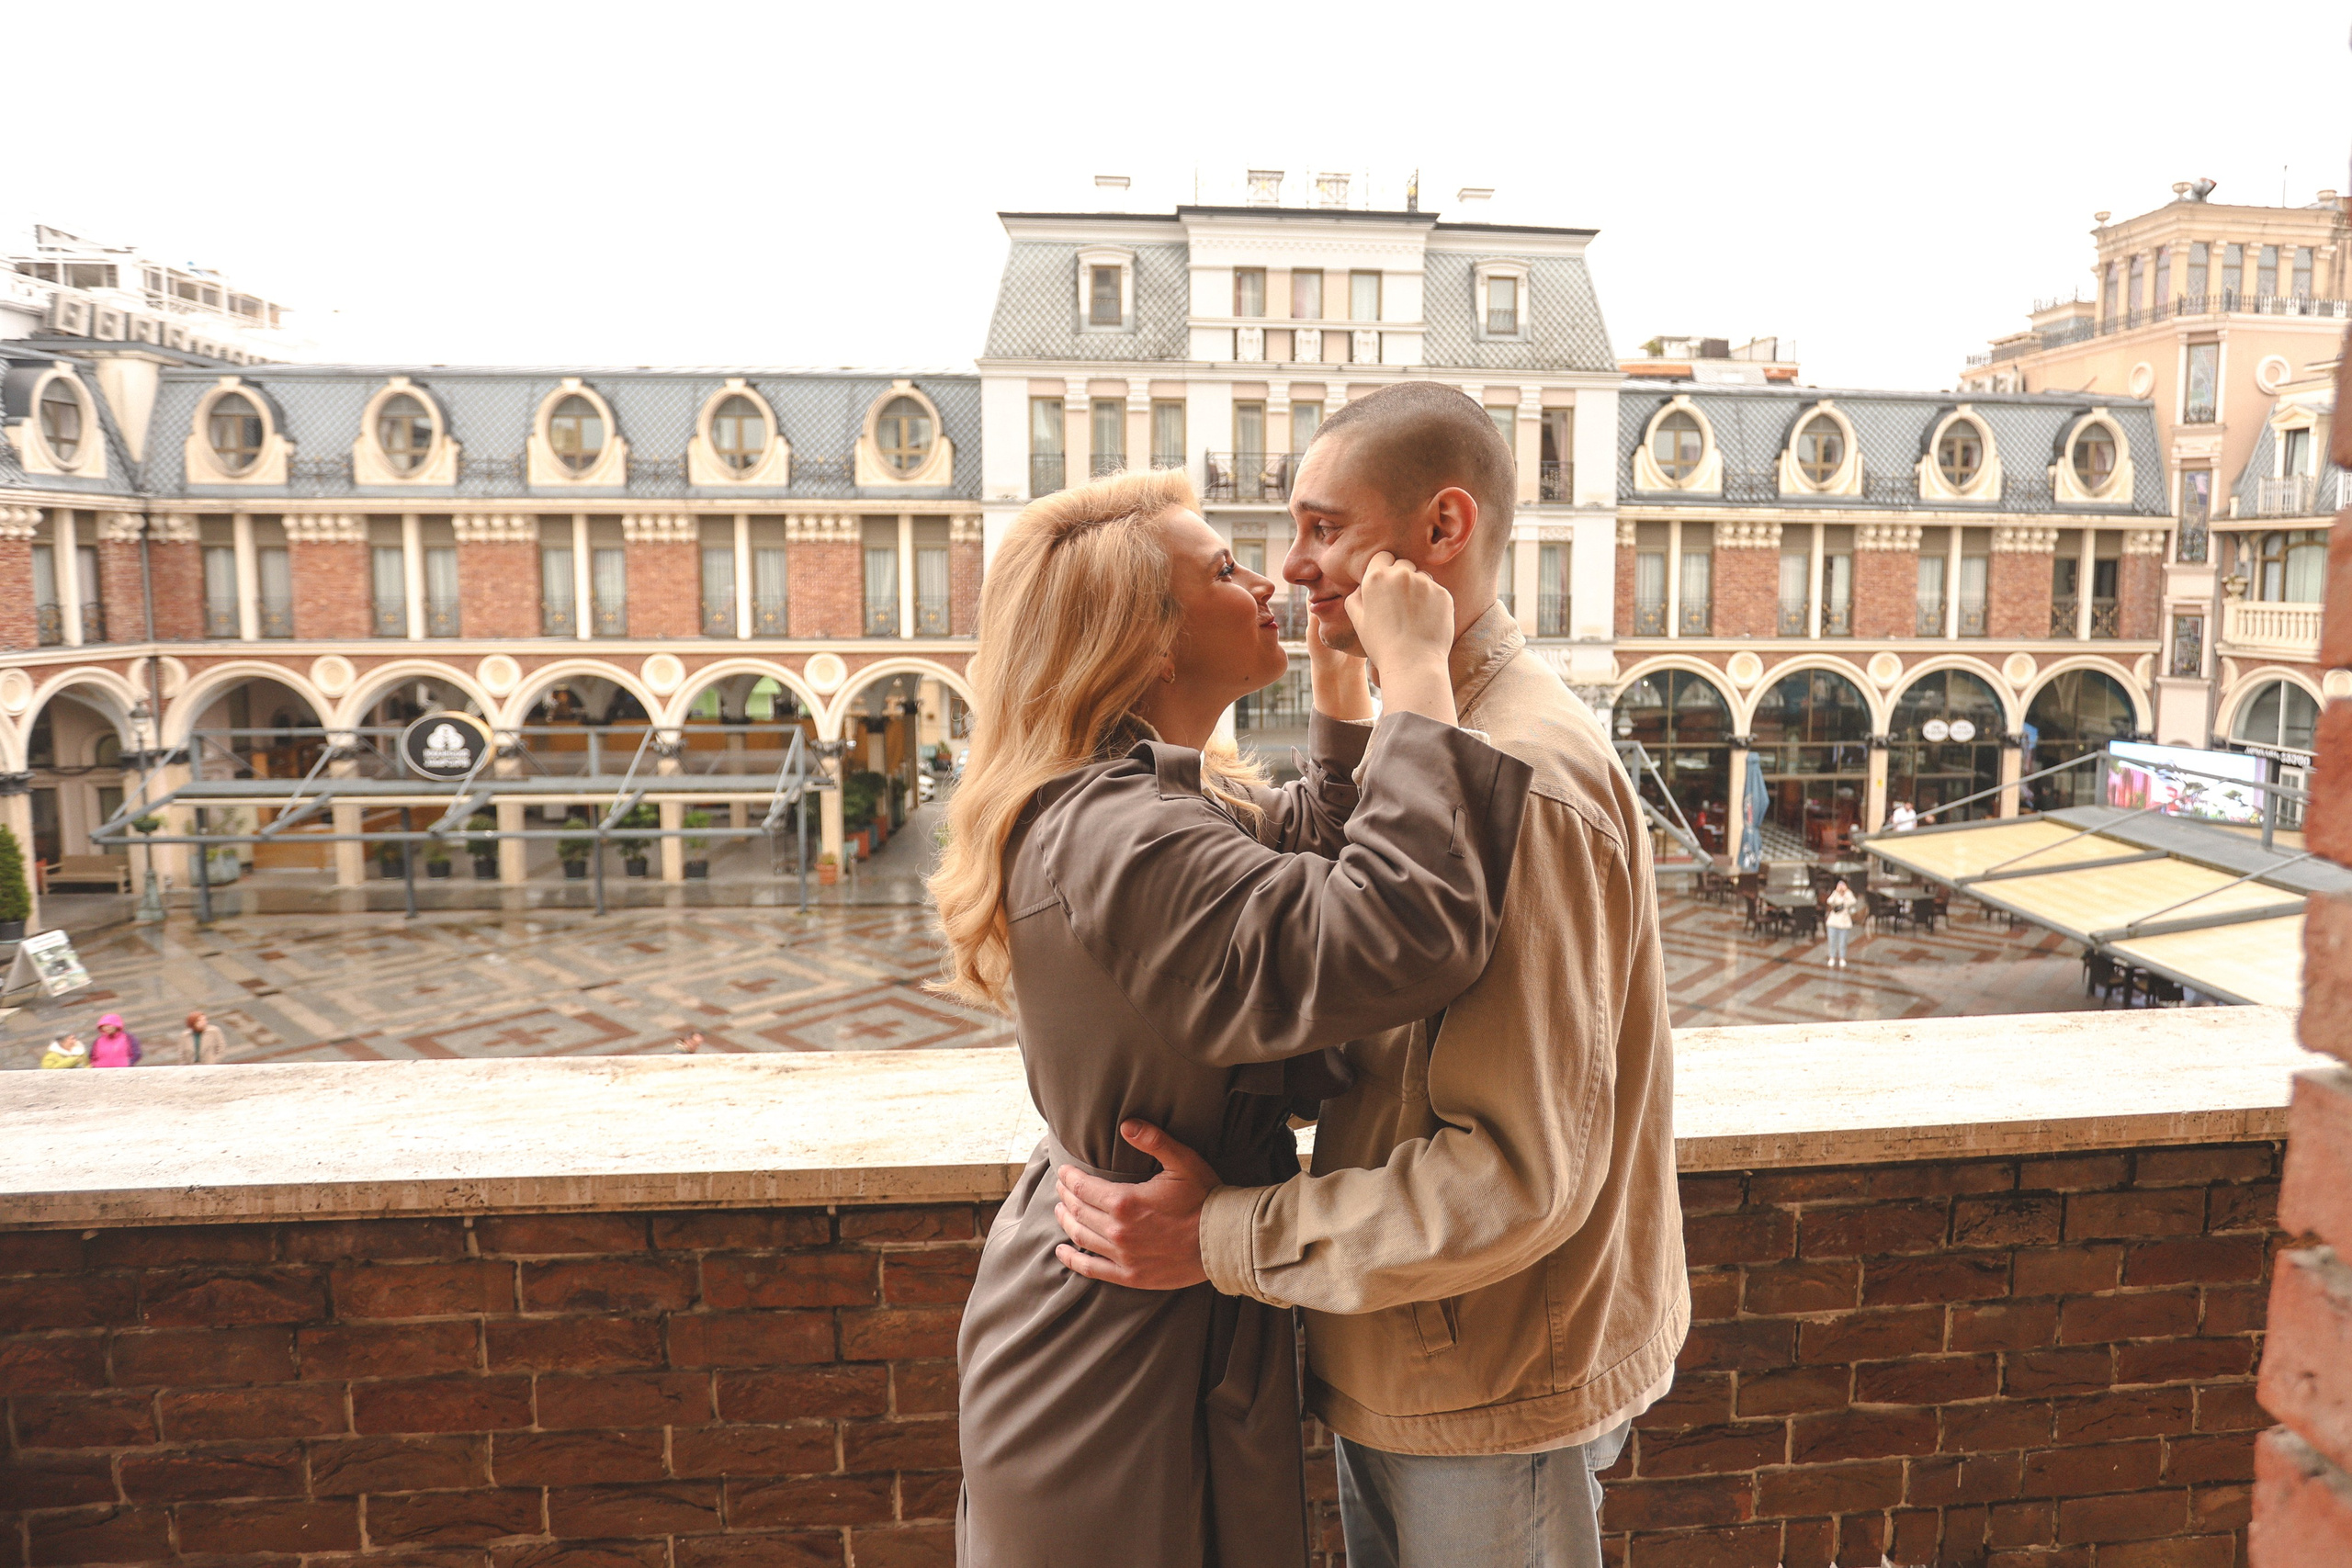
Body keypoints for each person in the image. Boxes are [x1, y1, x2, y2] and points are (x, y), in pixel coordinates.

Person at [1050, 383, 1688, 1568]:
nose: (1293, 568)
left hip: (1481, 1378)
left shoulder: (1522, 780)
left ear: (1443, 531)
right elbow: (1347, 914)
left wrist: (1224, 1239)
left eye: (1323, 527)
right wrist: (1359, 704)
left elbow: (1511, 1176)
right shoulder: (1451, 741)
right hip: (1418, 1349)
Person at [932, 467, 1531, 1568]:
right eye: (1223, 569)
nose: (1266, 582)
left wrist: (1346, 691)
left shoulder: (1134, 797)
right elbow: (1395, 929)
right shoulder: (1122, 834)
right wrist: (1415, 670)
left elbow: (1297, 852)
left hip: (1154, 1286)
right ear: (1147, 640)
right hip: (1108, 1339)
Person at [1825, 877, 1860, 967]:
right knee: (1832, 941)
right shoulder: (1835, 894)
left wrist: (1845, 894)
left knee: (1843, 942)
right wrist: (1837, 892)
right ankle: (1832, 957)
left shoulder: (1849, 894)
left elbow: (1853, 901)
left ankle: (1842, 958)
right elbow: (1830, 901)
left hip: (1844, 923)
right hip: (1833, 922)